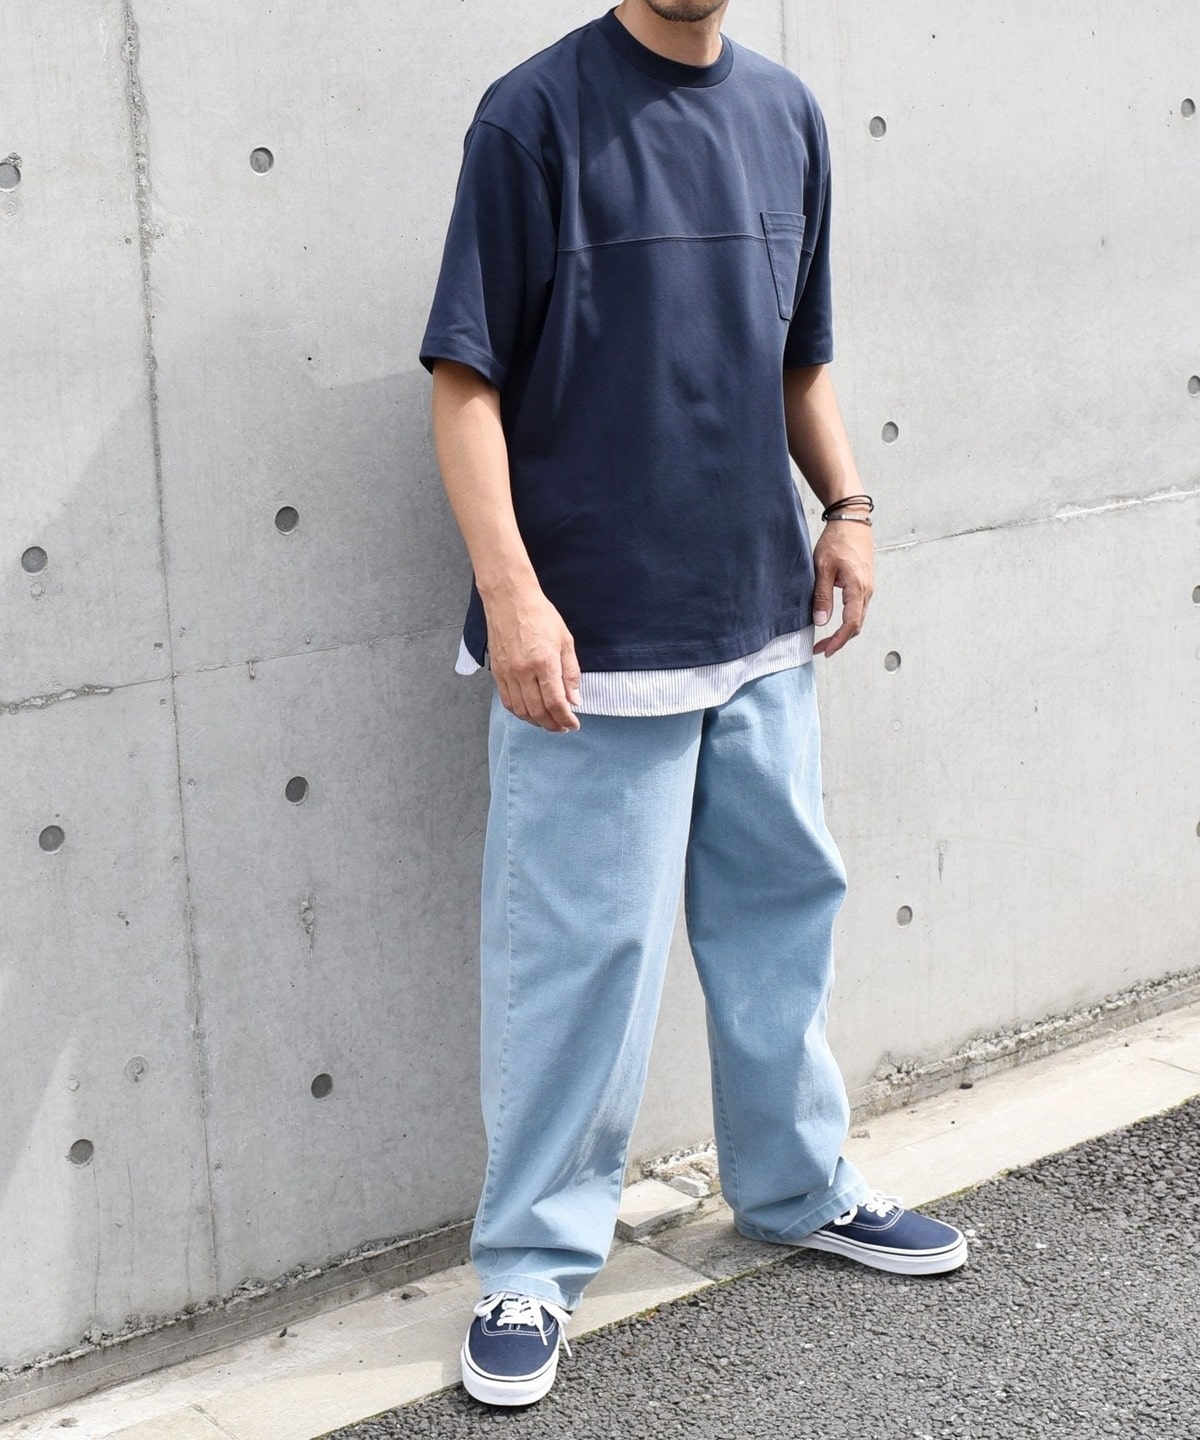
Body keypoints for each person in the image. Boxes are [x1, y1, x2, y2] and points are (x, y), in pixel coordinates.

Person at [419, 0, 967, 1409]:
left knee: (783, 916)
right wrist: (514, 597)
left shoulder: (786, 114)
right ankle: (531, 1265)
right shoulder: (535, 114)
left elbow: (798, 353)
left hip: (760, 612)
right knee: (579, 959)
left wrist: (846, 504)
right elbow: (464, 380)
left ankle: (796, 1187)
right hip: (593, 640)